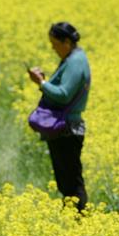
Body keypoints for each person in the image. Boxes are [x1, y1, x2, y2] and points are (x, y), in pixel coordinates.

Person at [28, 22, 91, 213]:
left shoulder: (75, 62)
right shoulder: (74, 58)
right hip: (66, 129)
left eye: (55, 44)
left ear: (66, 42)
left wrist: (42, 82)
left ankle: (80, 221)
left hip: (66, 130)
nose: (53, 48)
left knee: (71, 182)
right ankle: (75, 219)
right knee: (67, 181)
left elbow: (64, 94)